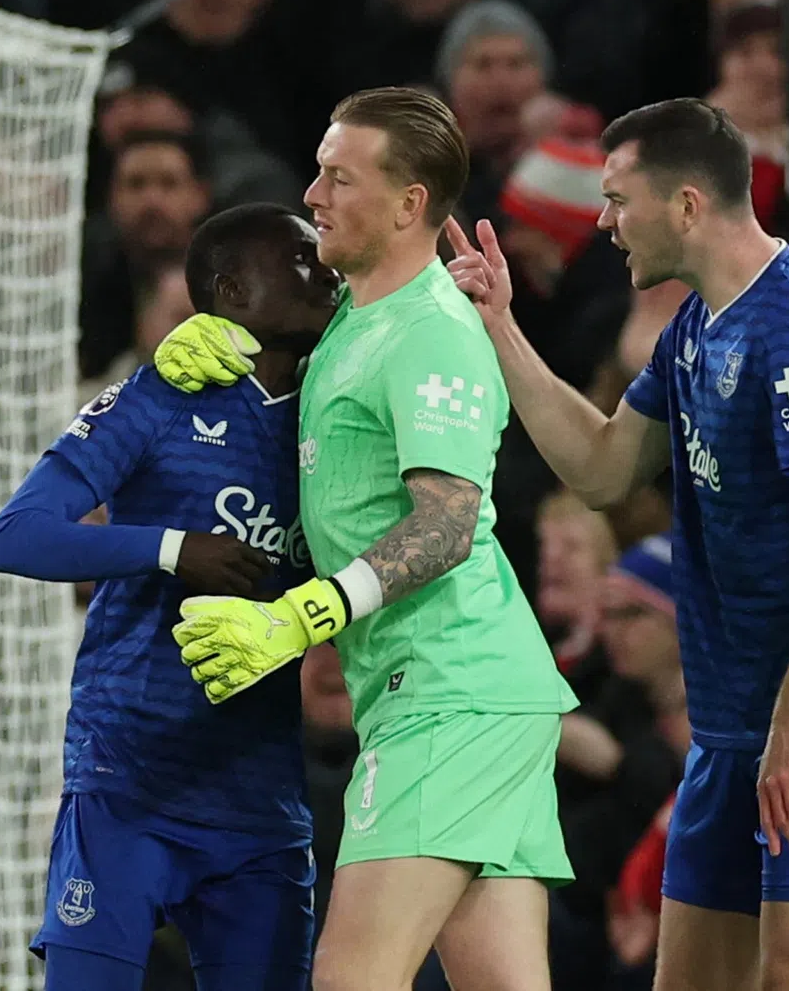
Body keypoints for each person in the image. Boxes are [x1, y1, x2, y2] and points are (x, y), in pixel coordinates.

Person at [155, 86, 577, 991]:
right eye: (317, 171)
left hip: (448, 694)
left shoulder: (431, 332)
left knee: (352, 980)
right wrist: (190, 359)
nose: (312, 196)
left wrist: (300, 617)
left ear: (408, 204)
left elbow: (447, 524)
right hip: (458, 693)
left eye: (338, 178)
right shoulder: (351, 317)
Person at [446, 97, 789, 991]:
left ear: (688, 205)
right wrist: (502, 328)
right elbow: (605, 469)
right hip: (733, 732)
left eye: (618, 199)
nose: (603, 222)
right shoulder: (695, 330)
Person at [0, 203, 341, 991]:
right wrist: (173, 549)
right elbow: (15, 536)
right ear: (234, 289)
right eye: (303, 259)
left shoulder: (338, 416)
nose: (328, 271)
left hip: (258, 801)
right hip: (127, 779)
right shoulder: (158, 397)